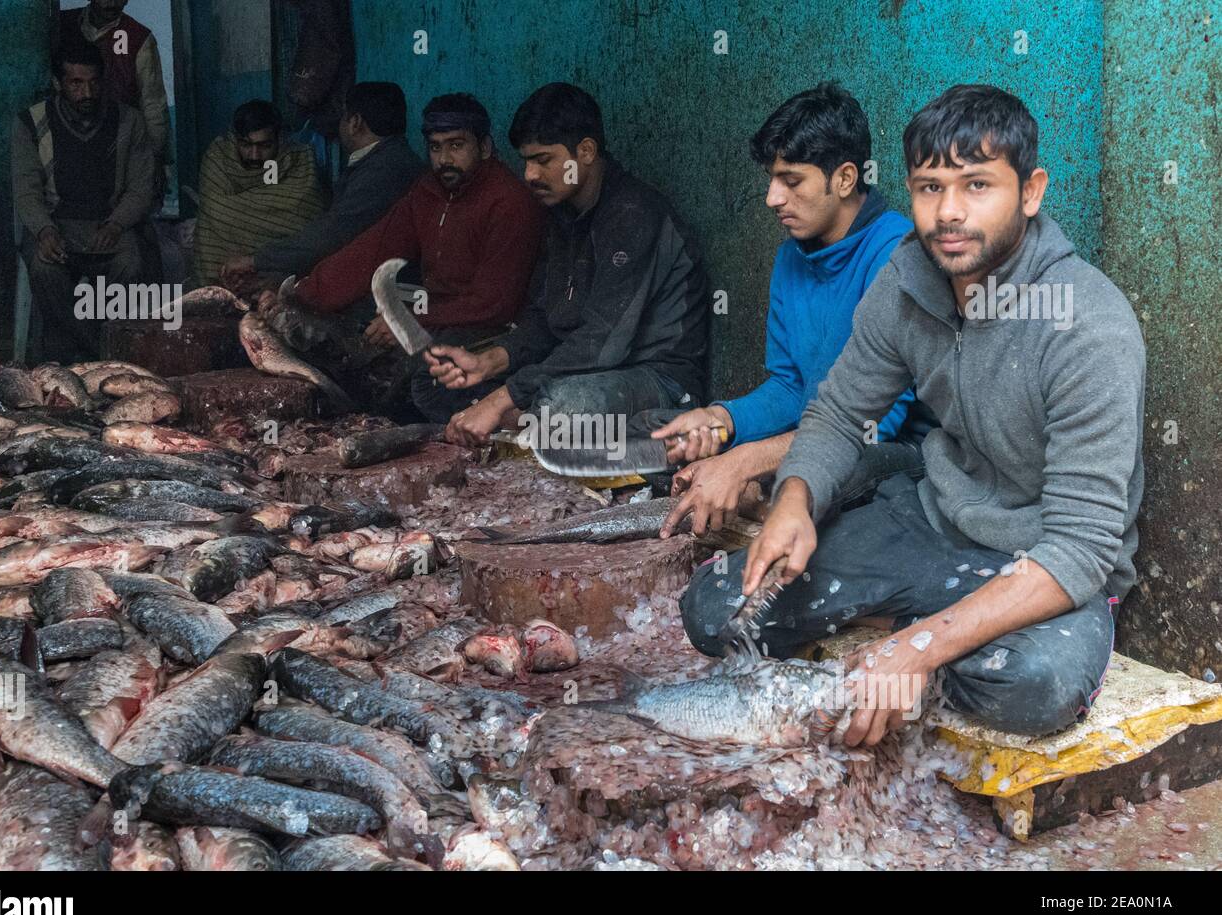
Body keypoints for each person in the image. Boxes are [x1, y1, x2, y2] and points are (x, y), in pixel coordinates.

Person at [682, 85, 1144, 745]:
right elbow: (840, 415)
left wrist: (919, 649)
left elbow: (1080, 547)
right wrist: (795, 498)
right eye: (929, 188)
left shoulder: (1088, 326)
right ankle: (927, 625)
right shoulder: (905, 282)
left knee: (1030, 685)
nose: (949, 213)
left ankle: (923, 634)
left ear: (1032, 192)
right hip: (933, 522)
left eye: (977, 185)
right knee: (718, 611)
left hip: (1040, 563)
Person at [644, 84, 924, 538]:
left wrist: (746, 461)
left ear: (846, 179)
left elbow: (876, 421)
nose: (773, 197)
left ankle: (770, 506)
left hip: (895, 451)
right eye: (772, 179)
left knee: (825, 473)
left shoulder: (896, 255)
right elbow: (792, 386)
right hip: (822, 435)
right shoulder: (793, 256)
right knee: (679, 440)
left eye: (791, 181)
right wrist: (725, 419)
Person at [420, 83, 710, 441]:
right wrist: (490, 361)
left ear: (586, 151)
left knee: (559, 407)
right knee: (439, 385)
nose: (529, 175)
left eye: (543, 160)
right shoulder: (561, 214)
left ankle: (634, 440)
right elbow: (547, 319)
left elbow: (603, 343)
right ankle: (530, 433)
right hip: (585, 371)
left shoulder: (634, 215)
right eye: (526, 161)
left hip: (656, 379)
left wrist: (499, 400)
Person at [269, 93, 544, 371]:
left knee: (419, 377)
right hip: (432, 310)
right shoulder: (428, 191)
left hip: (487, 325)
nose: (444, 159)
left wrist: (408, 320)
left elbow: (494, 304)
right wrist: (299, 295)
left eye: (456, 146)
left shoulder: (510, 202)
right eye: (435, 148)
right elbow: (372, 251)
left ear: (484, 147)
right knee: (341, 322)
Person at [12, 41, 154, 362]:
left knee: (130, 264)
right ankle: (99, 353)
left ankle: (105, 344)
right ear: (58, 84)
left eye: (93, 82)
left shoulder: (129, 121)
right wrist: (44, 230)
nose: (87, 92)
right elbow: (26, 189)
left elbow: (141, 187)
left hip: (108, 224)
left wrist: (118, 223)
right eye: (76, 83)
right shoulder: (30, 124)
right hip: (57, 224)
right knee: (44, 269)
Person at [221, 82, 424, 286]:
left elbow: (331, 237)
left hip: (389, 294)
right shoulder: (389, 161)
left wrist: (256, 260)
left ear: (355, 122)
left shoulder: (385, 170)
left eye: (343, 117)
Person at [191, 100, 325, 286]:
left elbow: (306, 220)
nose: (254, 155)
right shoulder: (218, 159)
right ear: (234, 139)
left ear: (279, 139)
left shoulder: (300, 162)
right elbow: (215, 211)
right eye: (246, 145)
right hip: (220, 277)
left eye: (264, 146)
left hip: (279, 283)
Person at [59, 0, 171, 177]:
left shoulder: (139, 38)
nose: (112, 3)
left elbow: (153, 105)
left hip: (119, 142)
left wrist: (156, 159)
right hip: (68, 140)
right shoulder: (62, 25)